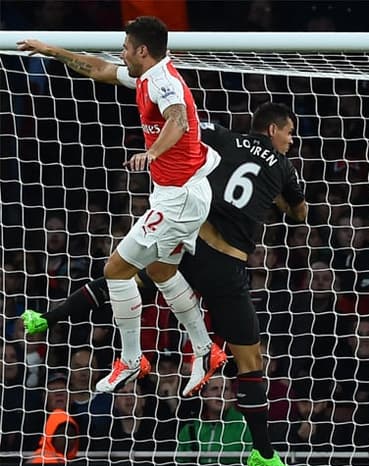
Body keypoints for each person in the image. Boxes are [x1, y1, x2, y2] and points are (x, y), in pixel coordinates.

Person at [21, 102, 306, 466]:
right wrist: (279, 198)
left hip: (188, 238)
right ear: (273, 130)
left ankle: (46, 317)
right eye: (289, 133)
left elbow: (185, 129)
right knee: (251, 362)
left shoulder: (220, 135)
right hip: (225, 266)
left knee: (126, 278)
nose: (291, 140)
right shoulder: (284, 167)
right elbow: (300, 214)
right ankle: (264, 453)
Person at [17, 16, 226, 397]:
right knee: (162, 271)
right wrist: (52, 51)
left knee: (115, 270)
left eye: (127, 47)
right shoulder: (148, 75)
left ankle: (131, 359)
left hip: (180, 197)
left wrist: (152, 153)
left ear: (142, 51)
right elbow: (100, 69)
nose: (122, 53)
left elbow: (177, 118)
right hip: (181, 192)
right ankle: (203, 348)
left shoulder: (163, 83)